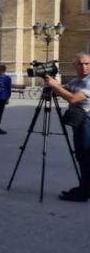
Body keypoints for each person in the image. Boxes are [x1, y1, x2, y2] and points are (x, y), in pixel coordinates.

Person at [44, 53, 90, 202]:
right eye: (80, 64)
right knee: (82, 156)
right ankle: (85, 187)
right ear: (74, 66)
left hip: (87, 123)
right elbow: (60, 91)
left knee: (85, 156)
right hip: (79, 123)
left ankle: (83, 192)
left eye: (87, 64)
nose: (84, 67)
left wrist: (55, 86)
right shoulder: (76, 81)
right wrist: (53, 85)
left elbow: (72, 98)